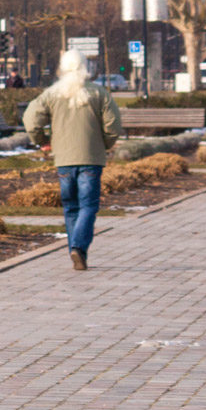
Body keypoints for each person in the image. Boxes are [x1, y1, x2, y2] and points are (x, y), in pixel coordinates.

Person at [23, 49, 123, 271]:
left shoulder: (52, 94)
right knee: (88, 205)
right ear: (85, 68)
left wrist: (42, 141)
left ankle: (75, 250)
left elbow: (31, 119)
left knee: (71, 207)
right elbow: (113, 124)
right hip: (91, 158)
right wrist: (104, 144)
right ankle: (79, 247)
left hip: (64, 159)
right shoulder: (99, 93)